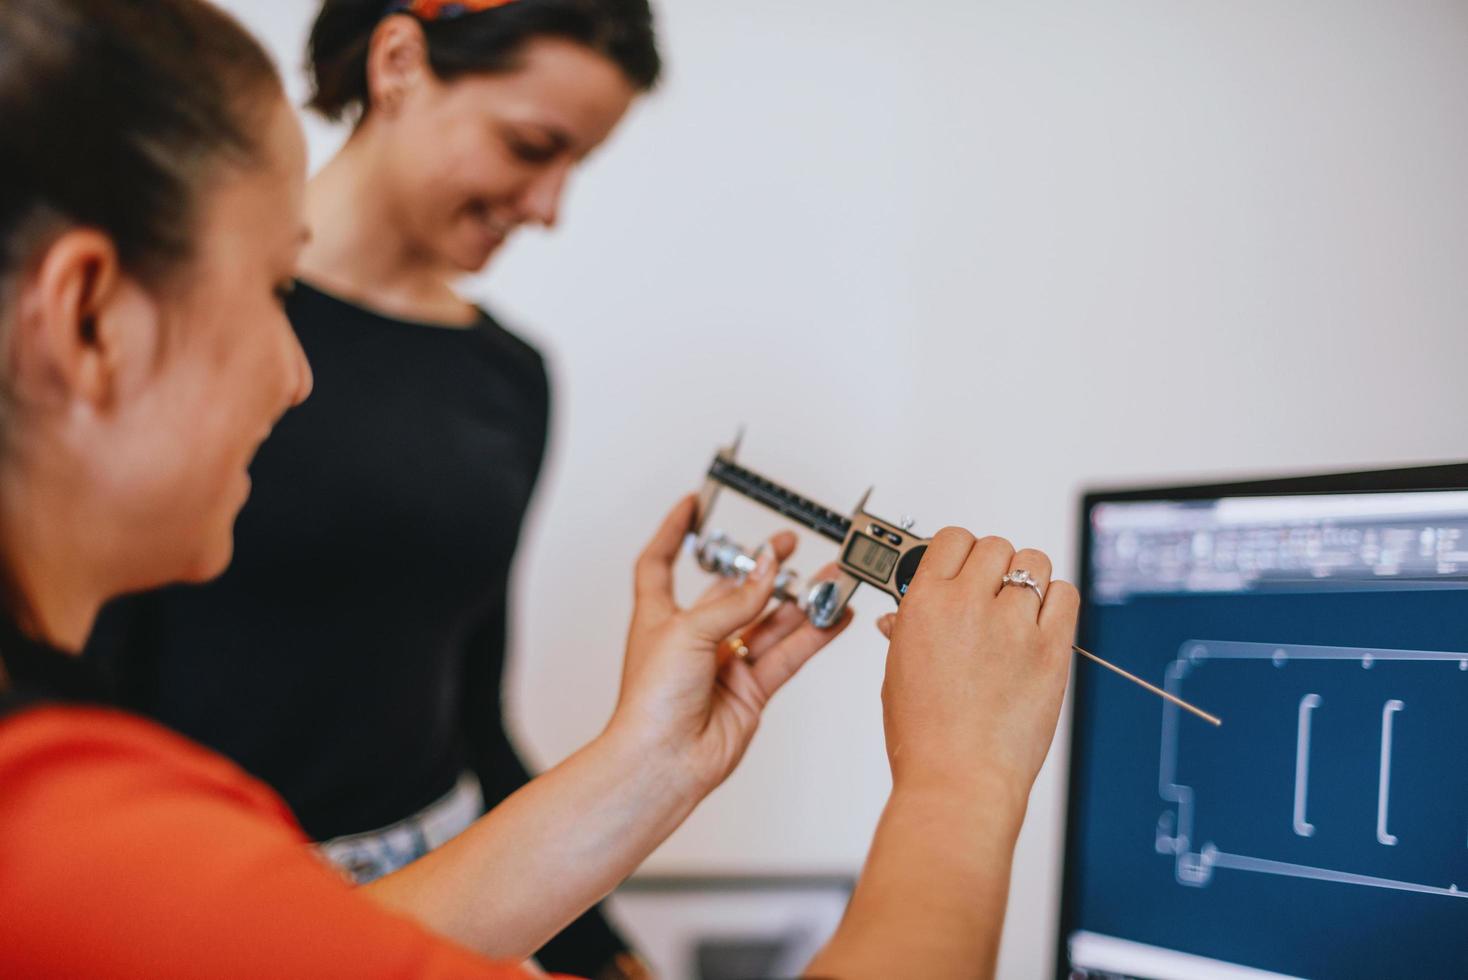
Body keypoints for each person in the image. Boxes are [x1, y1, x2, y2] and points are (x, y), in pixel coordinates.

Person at [0, 1, 1080, 977]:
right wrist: (961, 780)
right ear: (89, 318)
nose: (299, 373)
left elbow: (358, 930)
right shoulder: (77, 834)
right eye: (273, 287)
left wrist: (649, 764)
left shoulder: (102, 824)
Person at [85, 1, 659, 972]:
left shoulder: (509, 378)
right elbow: (90, 684)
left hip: (461, 892)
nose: (550, 205)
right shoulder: (173, 327)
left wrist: (597, 948)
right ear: (398, 64)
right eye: (530, 145)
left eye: (577, 166)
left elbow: (470, 704)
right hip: (202, 907)